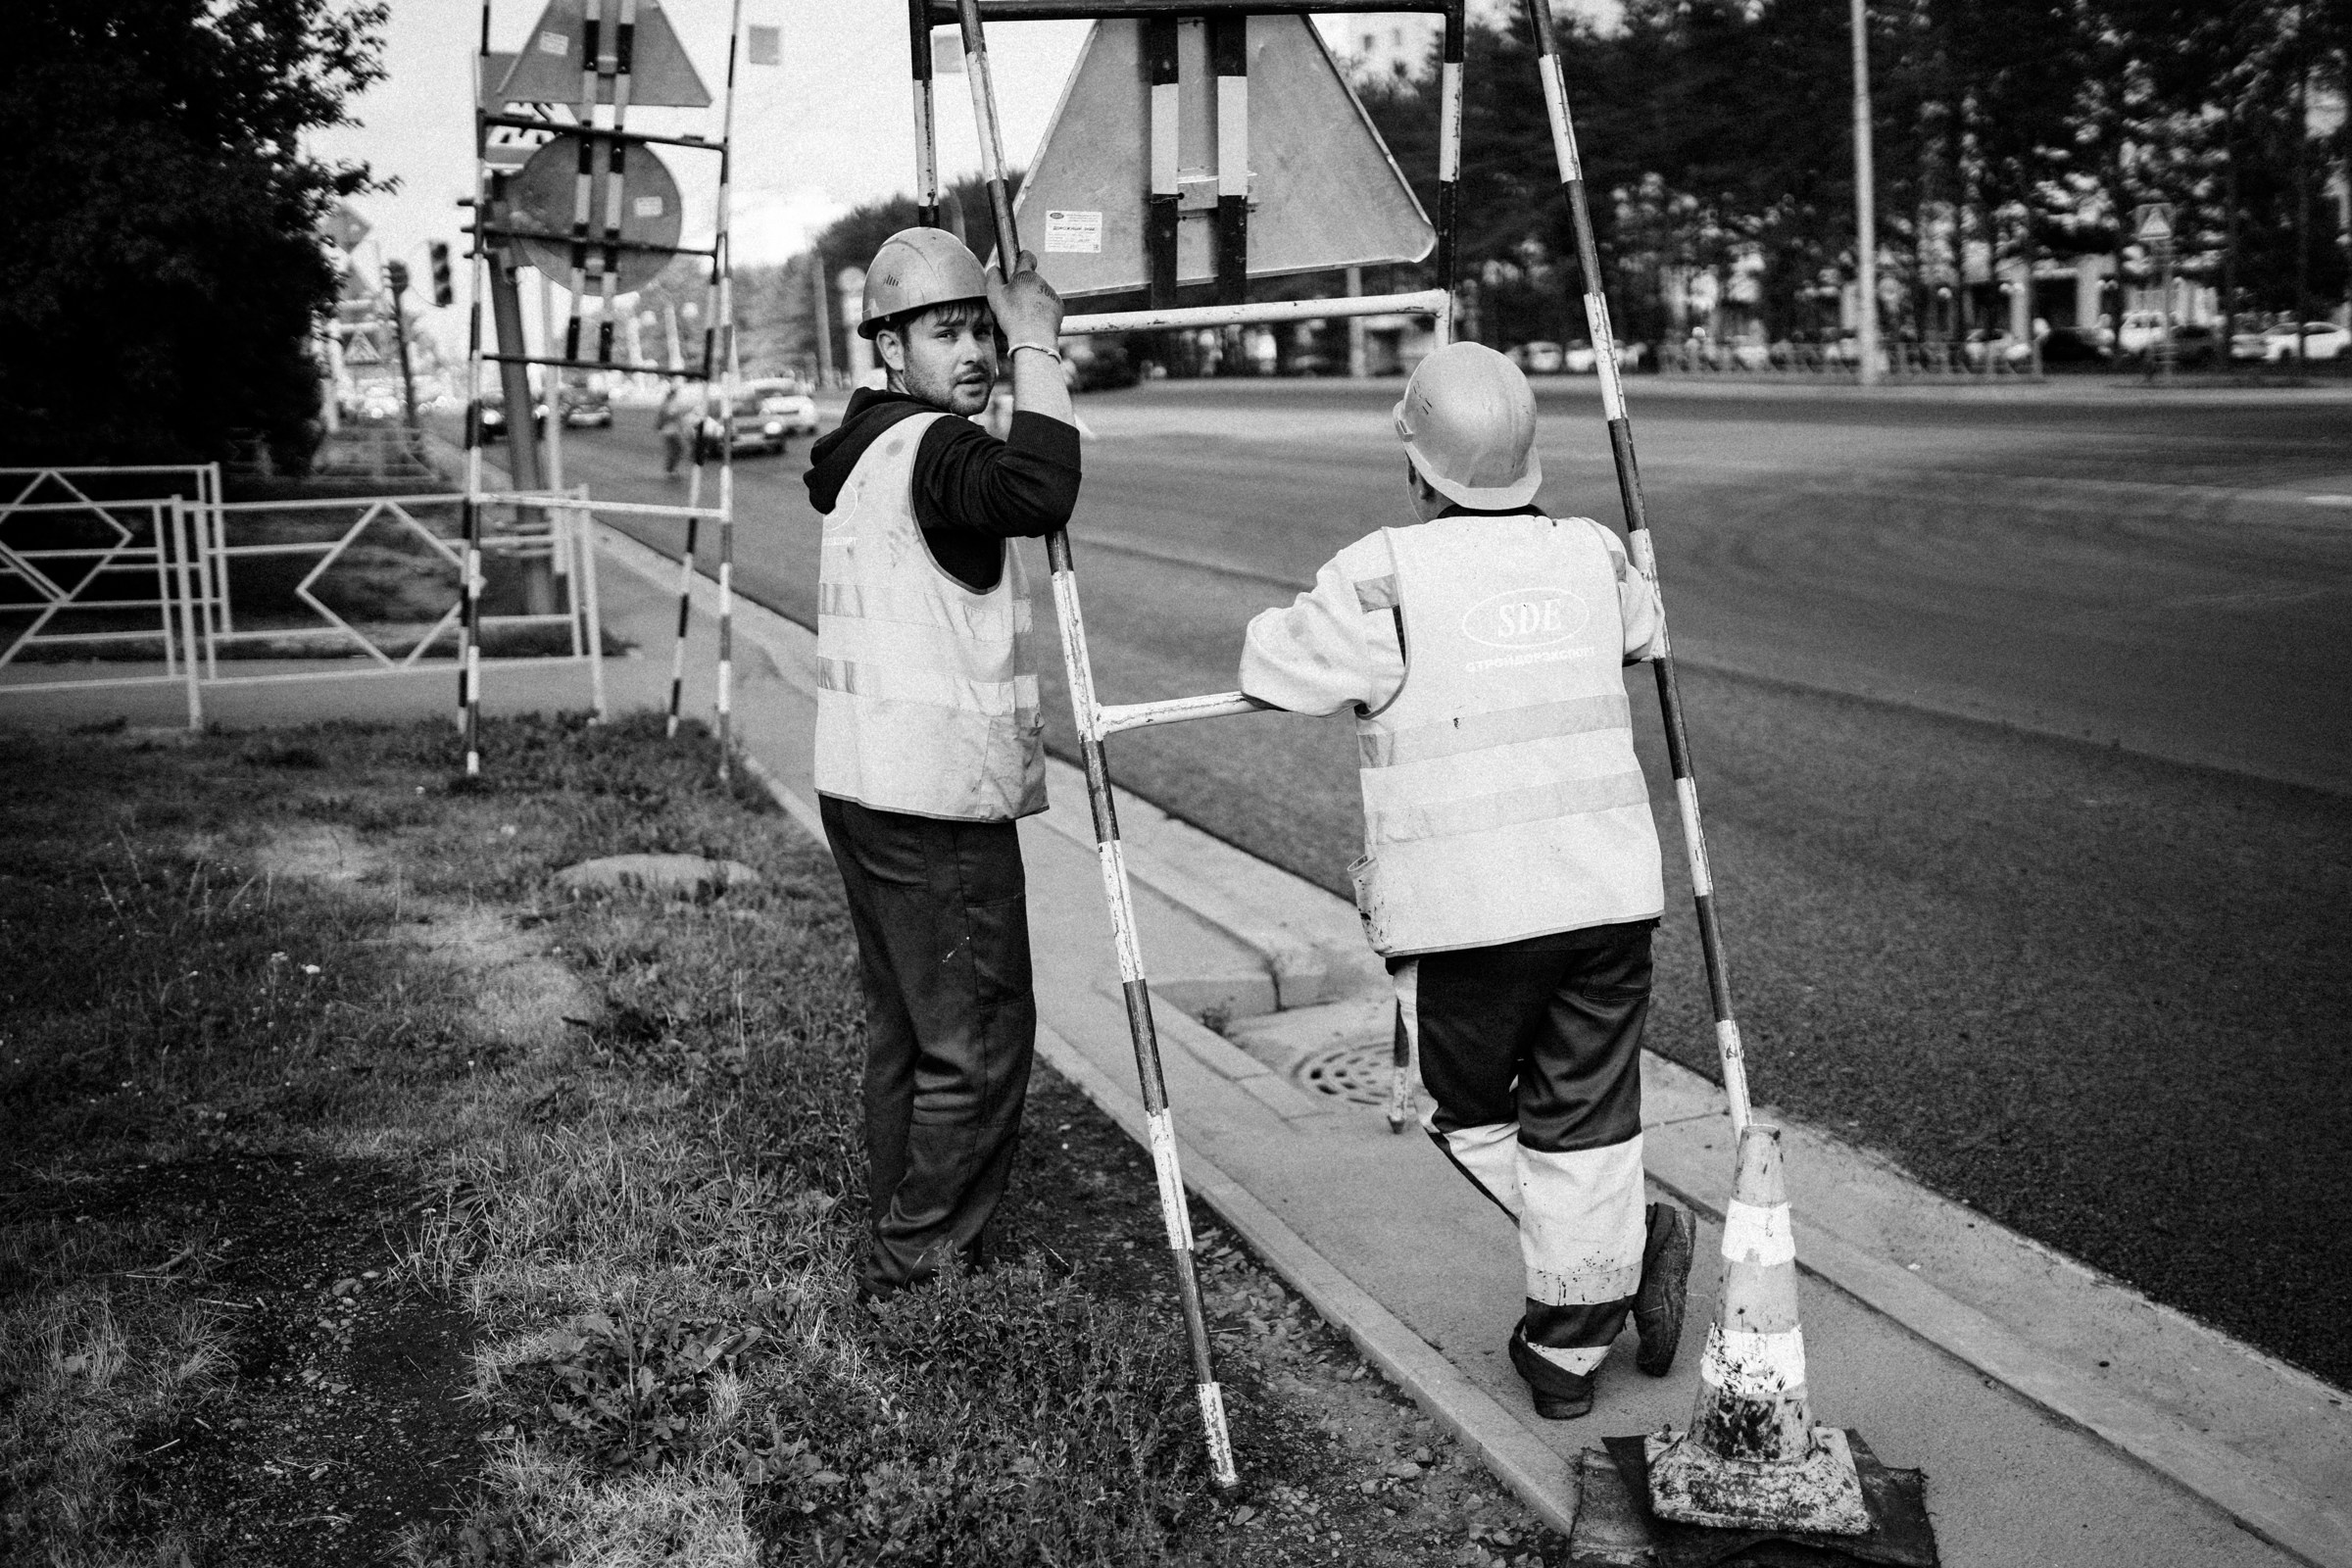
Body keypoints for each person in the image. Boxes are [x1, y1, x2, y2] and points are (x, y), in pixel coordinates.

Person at [1231, 342, 1694, 1419]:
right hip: (1608, 899)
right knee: (1587, 1117)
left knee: (1466, 1113)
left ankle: (1595, 1297)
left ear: (1418, 464)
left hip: (1471, 916)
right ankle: (1576, 1335)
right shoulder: (1589, 552)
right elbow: (1644, 628)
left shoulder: (1379, 573)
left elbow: (1272, 663)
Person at [801, 228, 1079, 1299]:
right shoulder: (935, 451)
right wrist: (1042, 348)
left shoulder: (867, 450)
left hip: (864, 785)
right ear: (889, 345)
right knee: (978, 1039)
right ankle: (917, 1269)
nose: (973, 349)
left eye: (982, 328)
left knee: (911, 1031)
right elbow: (1041, 489)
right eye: (945, 329)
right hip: (936, 799)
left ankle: (904, 1227)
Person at [656, 379, 689, 476]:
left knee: (677, 449)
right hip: (670, 431)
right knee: (676, 449)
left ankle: (671, 469)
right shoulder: (669, 404)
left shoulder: (668, 404)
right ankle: (670, 469)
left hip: (672, 430)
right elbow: (668, 416)